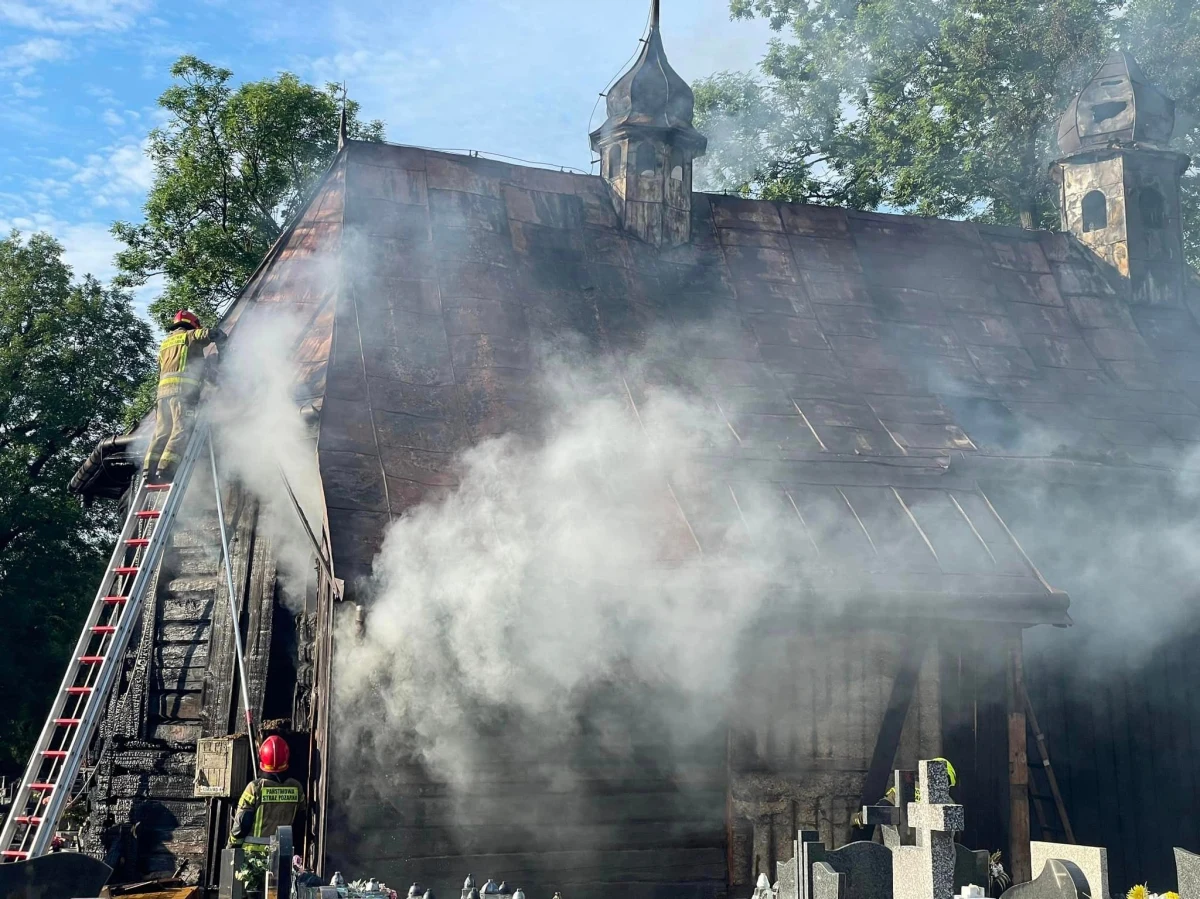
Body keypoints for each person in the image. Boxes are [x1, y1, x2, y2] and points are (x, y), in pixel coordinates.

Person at [142, 309, 225, 483]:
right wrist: (223, 344)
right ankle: (166, 468)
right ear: (192, 325)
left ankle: (149, 470)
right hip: (181, 393)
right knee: (181, 428)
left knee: (161, 431)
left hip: (162, 395)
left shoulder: (165, 344)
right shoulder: (190, 336)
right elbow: (211, 334)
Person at [229, 736, 305, 852]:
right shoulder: (297, 788)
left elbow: (241, 823)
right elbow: (300, 823)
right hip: (282, 854)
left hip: (253, 856)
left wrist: (232, 845)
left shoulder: (255, 788)